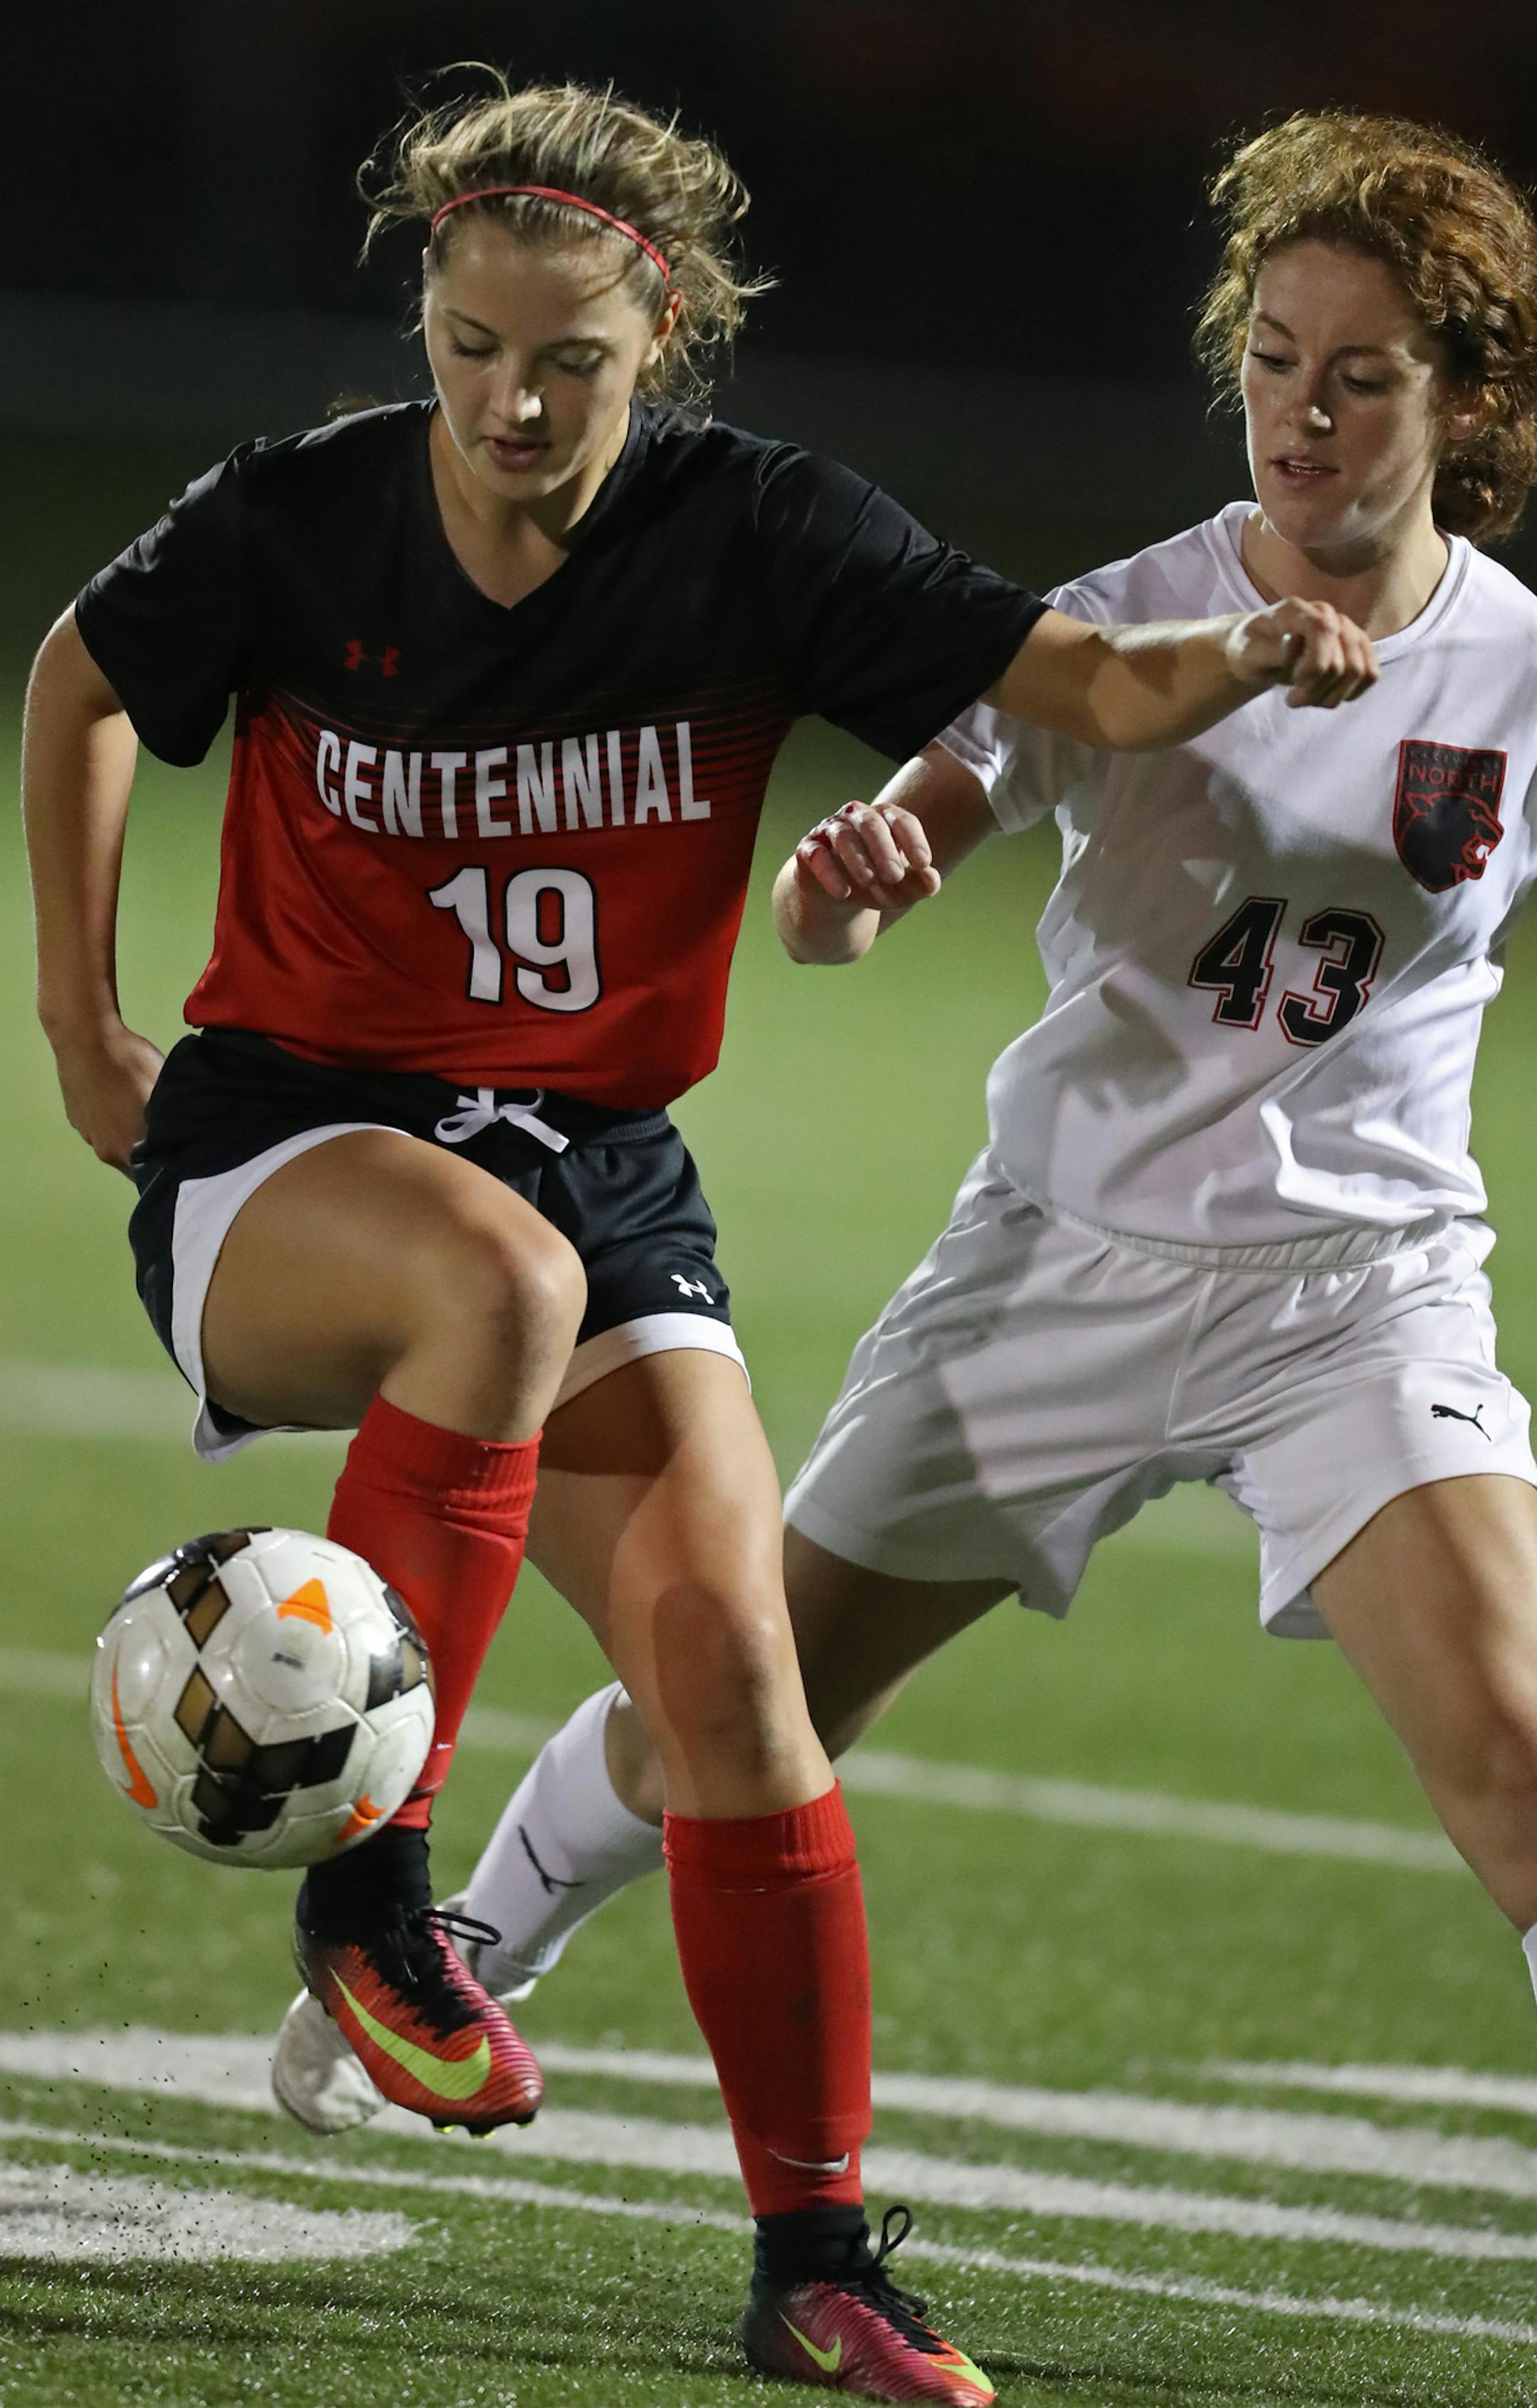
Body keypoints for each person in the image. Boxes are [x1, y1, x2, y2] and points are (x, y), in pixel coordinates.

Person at [24, 69, 1373, 2402]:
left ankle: (815, 2261)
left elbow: (1082, 684)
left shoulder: (765, 537)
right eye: (468, 348)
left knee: (737, 1690)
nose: (513, 404)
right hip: (292, 1149)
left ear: (668, 345)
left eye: (572, 363)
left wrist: (1253, 650)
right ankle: (376, 1913)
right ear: (423, 321)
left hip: (590, 1160)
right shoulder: (306, 520)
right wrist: (80, 1016)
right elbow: (80, 675)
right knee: (494, 1288)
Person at [285, 103, 1537, 2180]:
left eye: (1363, 376)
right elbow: (868, 873)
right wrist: (854, 879)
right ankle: (473, 1935)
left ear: (1470, 399)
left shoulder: (1516, 666)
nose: (1302, 418)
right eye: (1272, 363)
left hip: (1360, 1295)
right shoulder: (1125, 617)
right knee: (736, 1718)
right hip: (1062, 1269)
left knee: (1512, 1753)